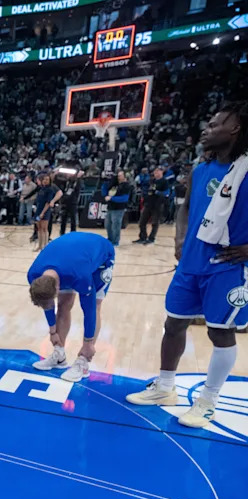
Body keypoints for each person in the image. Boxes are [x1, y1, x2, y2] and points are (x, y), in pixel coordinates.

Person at [126, 104, 248, 428]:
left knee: (220, 333)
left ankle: (208, 401)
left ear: (235, 129)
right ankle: (165, 387)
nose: (206, 128)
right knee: (173, 324)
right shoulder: (200, 169)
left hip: (227, 265)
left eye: (215, 123)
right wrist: (179, 239)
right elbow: (184, 208)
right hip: (191, 262)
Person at [27, 232, 115, 382]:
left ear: (58, 286)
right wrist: (52, 331)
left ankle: (84, 360)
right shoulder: (34, 275)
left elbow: (89, 311)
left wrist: (88, 343)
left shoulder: (79, 275)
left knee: (95, 305)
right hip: (71, 255)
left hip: (101, 256)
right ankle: (59, 355)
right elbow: (47, 303)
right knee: (63, 304)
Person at [135, 166, 170, 245]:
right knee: (142, 222)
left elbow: (167, 193)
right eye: (155, 171)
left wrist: (157, 192)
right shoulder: (152, 181)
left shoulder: (164, 181)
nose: (156, 172)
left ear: (162, 172)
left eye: (158, 171)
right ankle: (143, 237)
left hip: (158, 204)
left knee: (155, 223)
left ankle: (151, 238)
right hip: (148, 203)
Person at [33, 172, 62, 251]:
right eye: (44, 179)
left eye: (47, 179)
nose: (45, 181)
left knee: (44, 228)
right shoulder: (41, 188)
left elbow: (48, 202)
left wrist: (42, 213)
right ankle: (39, 245)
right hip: (38, 209)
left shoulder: (50, 190)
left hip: (45, 210)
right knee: (39, 228)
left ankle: (45, 246)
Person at [104, 170, 132, 246]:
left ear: (125, 177)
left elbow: (124, 198)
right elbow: (105, 191)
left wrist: (111, 198)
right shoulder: (115, 184)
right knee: (107, 224)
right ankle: (110, 238)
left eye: (120, 175)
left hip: (119, 208)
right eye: (118, 175)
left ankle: (115, 241)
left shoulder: (127, 186)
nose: (118, 176)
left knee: (116, 225)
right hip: (110, 207)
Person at [56, 170, 83, 235]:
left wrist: (78, 177)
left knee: (73, 218)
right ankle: (62, 233)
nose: (68, 175)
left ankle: (73, 233)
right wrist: (56, 174)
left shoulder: (76, 182)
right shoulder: (67, 183)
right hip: (65, 202)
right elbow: (59, 182)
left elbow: (78, 186)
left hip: (73, 203)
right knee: (63, 219)